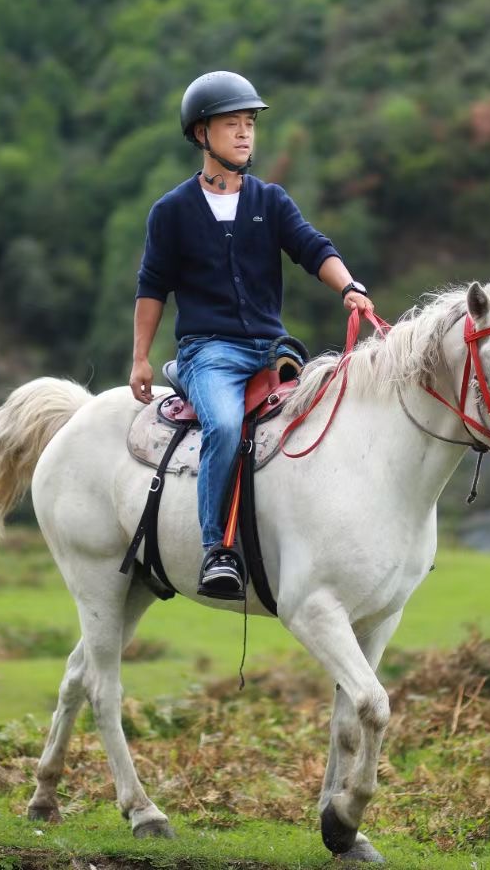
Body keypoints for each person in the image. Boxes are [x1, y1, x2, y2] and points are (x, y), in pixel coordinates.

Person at [131, 71, 374, 600]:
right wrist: (141, 359)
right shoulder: (171, 212)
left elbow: (313, 248)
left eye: (249, 125)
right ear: (201, 134)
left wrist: (349, 287)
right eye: (231, 125)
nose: (244, 134)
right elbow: (152, 286)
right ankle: (216, 549)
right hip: (207, 354)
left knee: (331, 418)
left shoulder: (272, 200)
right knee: (221, 424)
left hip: (272, 351)